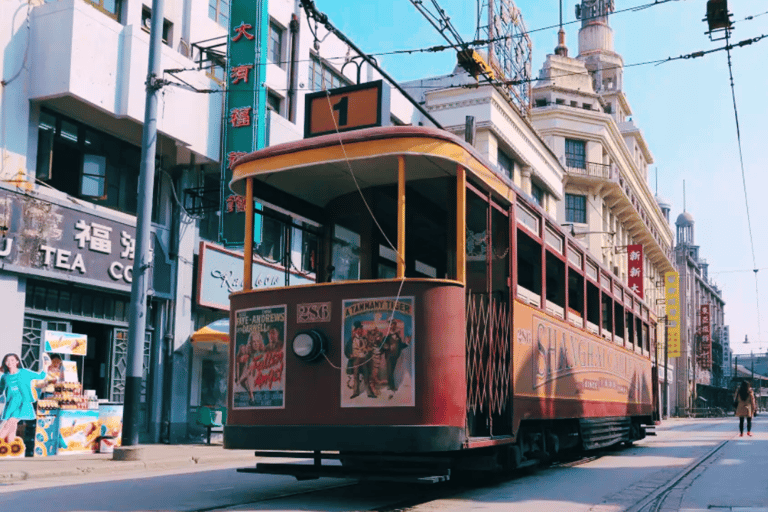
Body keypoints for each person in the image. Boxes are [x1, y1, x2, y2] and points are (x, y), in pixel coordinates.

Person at [0, 353, 48, 443]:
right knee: (12, 429)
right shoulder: (5, 376)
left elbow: (41, 376)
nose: (10, 362)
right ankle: (10, 450)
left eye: (12, 360)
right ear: (5, 363)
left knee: (8, 424)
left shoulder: (25, 372)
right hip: (11, 404)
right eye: (7, 360)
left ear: (17, 362)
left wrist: (45, 365)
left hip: (22, 404)